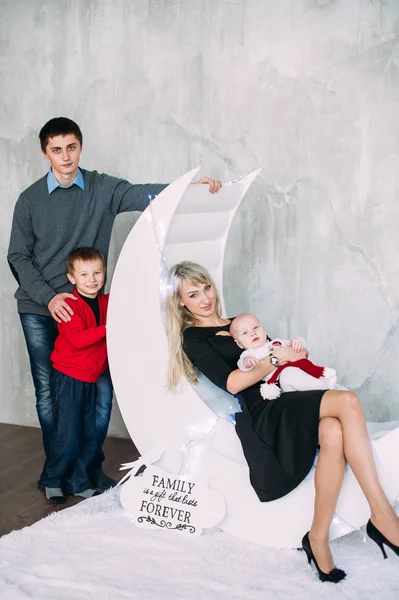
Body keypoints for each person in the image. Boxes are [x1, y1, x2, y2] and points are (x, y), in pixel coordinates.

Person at [7, 117, 221, 492]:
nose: (65, 156)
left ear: (80, 146)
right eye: (56, 149)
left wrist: (187, 189)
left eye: (71, 147)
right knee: (49, 394)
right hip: (42, 307)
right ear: (45, 153)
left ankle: (88, 470)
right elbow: (18, 257)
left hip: (89, 304)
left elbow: (143, 194)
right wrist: (49, 296)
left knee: (100, 390)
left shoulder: (103, 189)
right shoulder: (30, 201)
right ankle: (59, 472)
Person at [166, 261, 399, 583]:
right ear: (181, 302)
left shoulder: (241, 322)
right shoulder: (194, 337)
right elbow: (233, 383)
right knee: (347, 401)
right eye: (193, 294)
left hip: (282, 393)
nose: (204, 298)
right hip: (264, 409)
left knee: (333, 430)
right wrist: (276, 359)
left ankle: (317, 537)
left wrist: (292, 354)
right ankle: (383, 514)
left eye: (206, 288)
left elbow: (280, 354)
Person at [42, 247, 109, 504]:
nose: (91, 280)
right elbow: (78, 339)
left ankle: (79, 482)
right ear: (72, 278)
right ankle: (52, 480)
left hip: (91, 378)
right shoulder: (68, 305)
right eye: (84, 274)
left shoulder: (105, 302)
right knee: (67, 434)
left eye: (97, 273)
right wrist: (108, 328)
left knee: (88, 434)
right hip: (68, 378)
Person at [229, 313, 337, 399]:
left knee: (304, 371)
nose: (252, 333)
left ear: (264, 329)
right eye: (245, 333)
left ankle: (321, 383)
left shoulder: (276, 342)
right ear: (239, 344)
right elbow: (242, 364)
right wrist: (248, 361)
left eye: (255, 328)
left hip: (300, 371)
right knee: (287, 374)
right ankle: (321, 386)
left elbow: (296, 347)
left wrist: (297, 341)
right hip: (282, 381)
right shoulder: (250, 353)